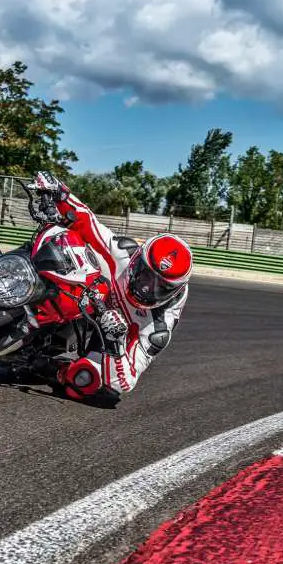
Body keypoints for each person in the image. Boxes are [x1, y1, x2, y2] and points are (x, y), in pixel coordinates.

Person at [26, 171, 191, 403]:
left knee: (93, 383)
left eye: (158, 287)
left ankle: (55, 368)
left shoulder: (158, 327)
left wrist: (115, 341)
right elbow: (88, 222)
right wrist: (60, 193)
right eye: (144, 276)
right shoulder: (124, 252)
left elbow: (127, 382)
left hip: (108, 332)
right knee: (63, 242)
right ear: (137, 262)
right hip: (87, 292)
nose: (145, 288)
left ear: (173, 292)